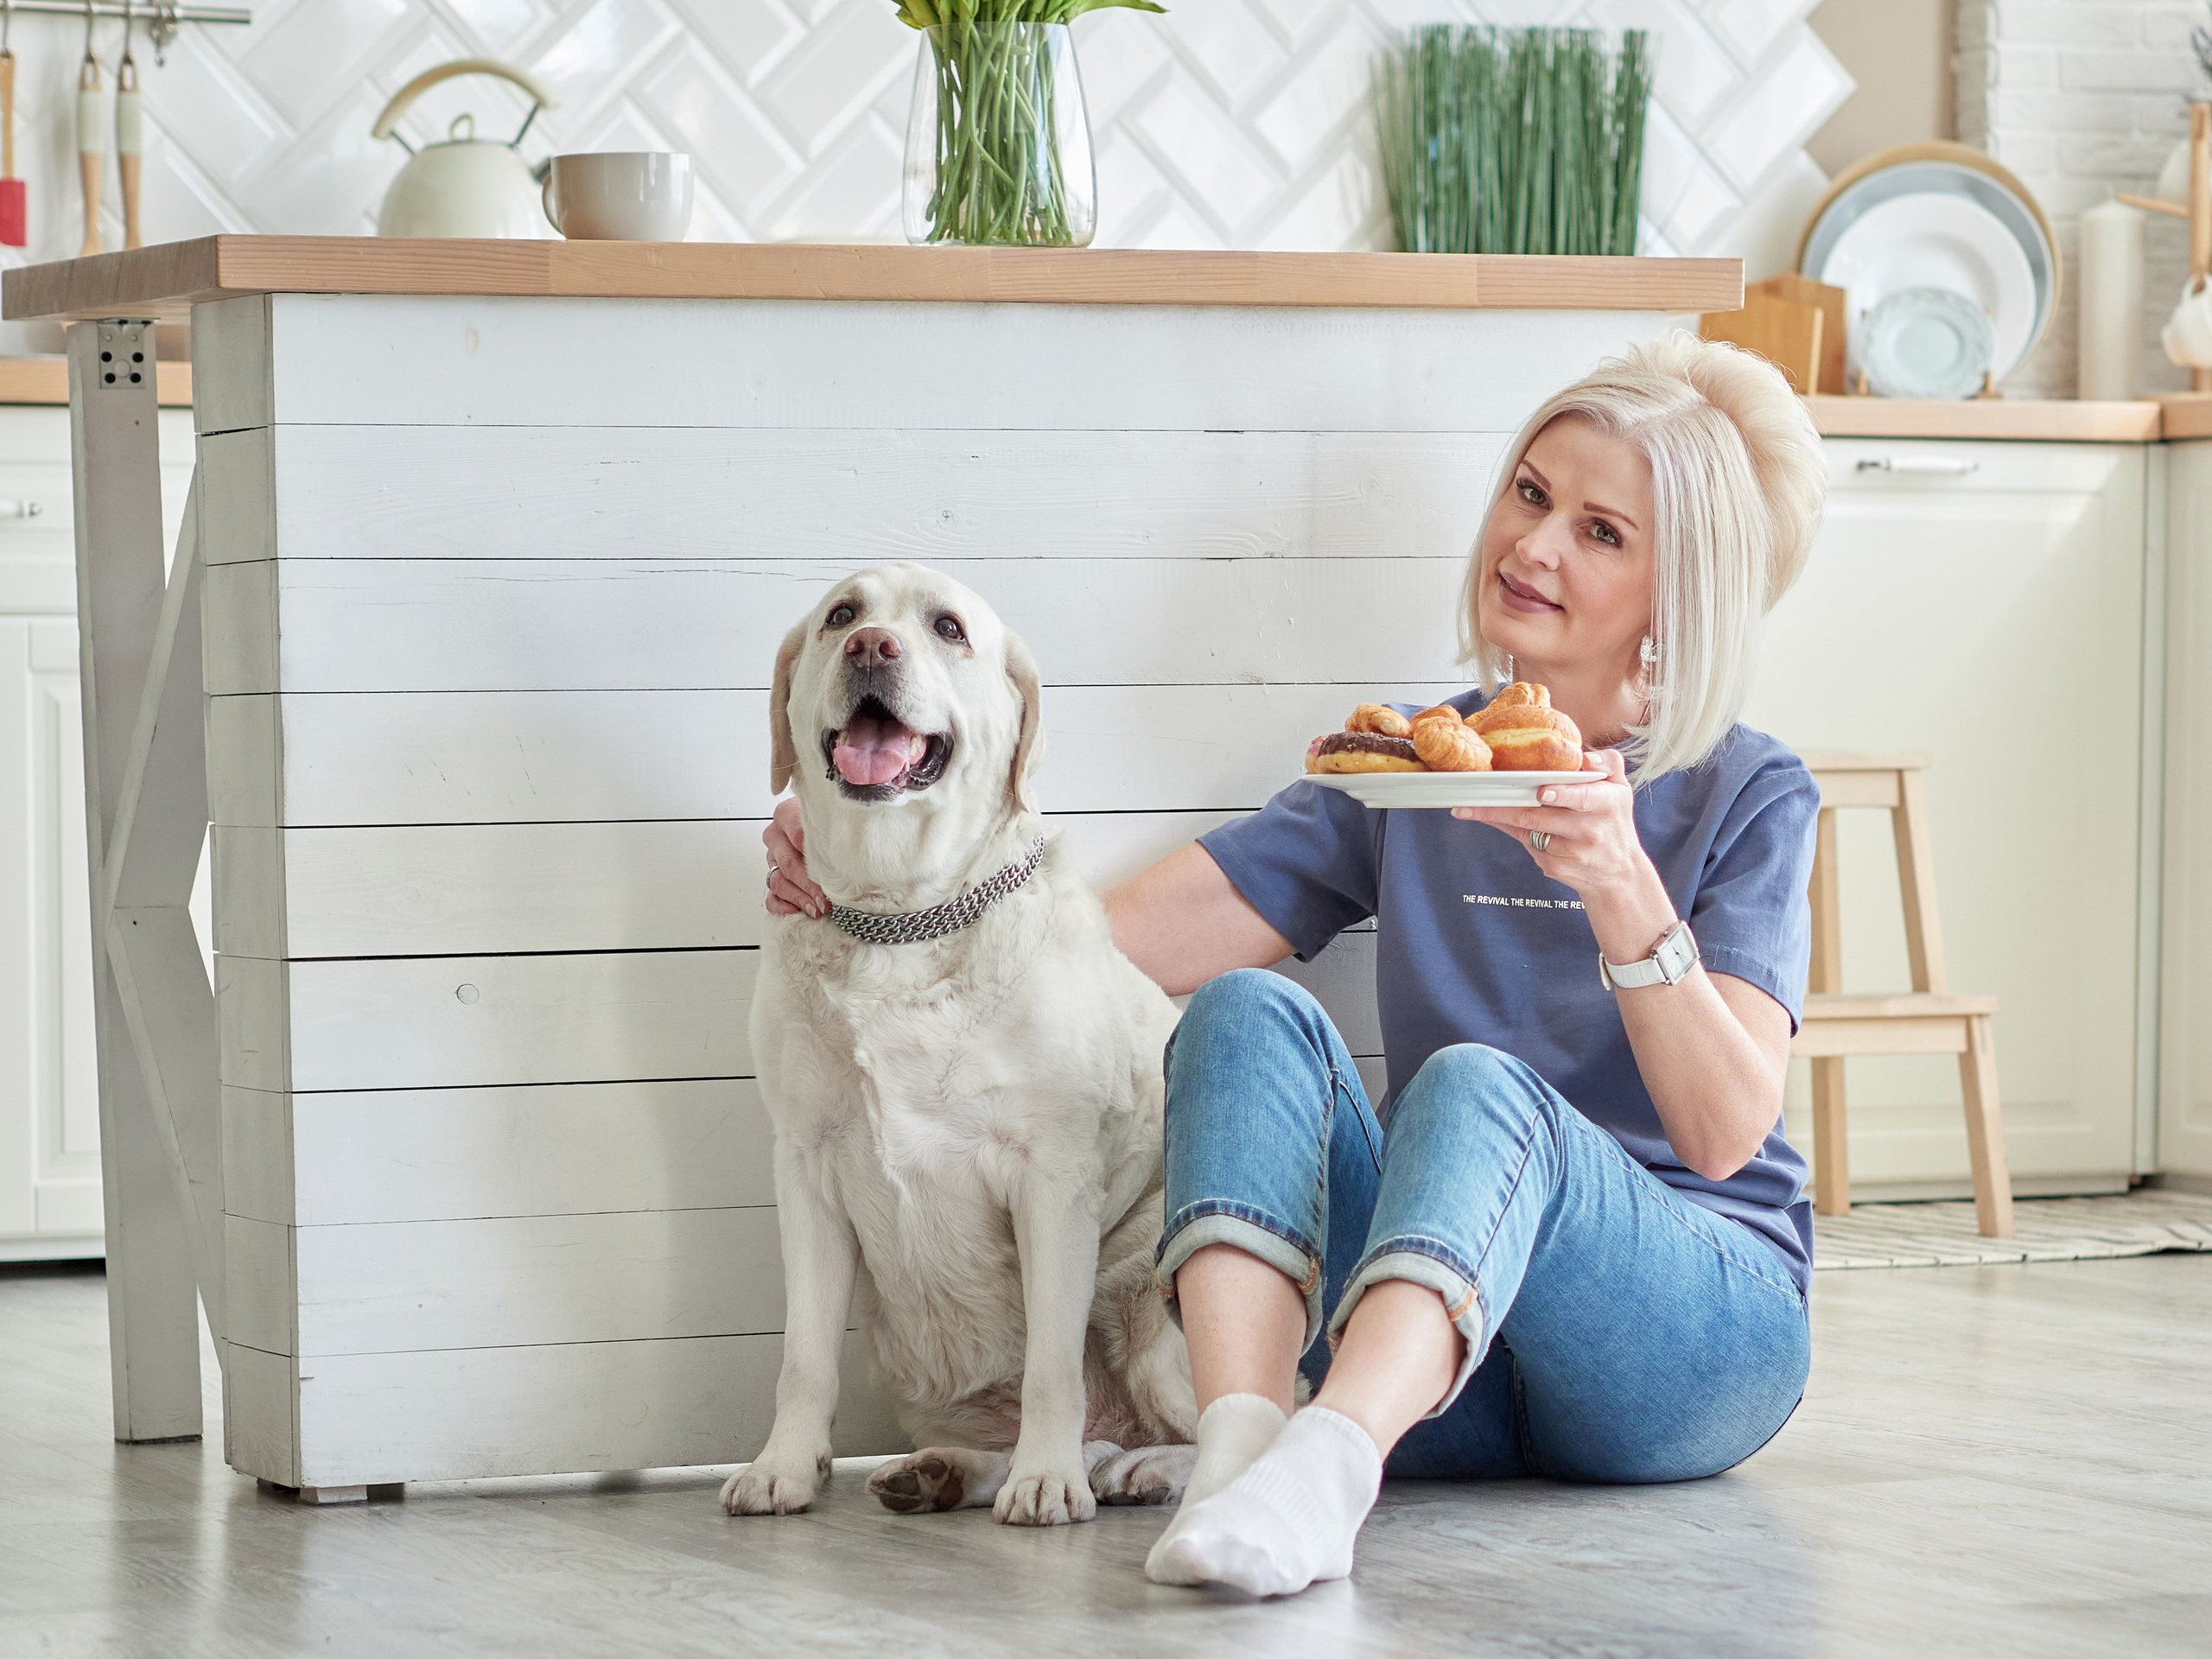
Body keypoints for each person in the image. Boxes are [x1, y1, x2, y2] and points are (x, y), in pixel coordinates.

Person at [763, 331, 1829, 1598]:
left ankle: (1323, 1476)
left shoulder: (1750, 793)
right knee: (1245, 1013)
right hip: (1442, 1361)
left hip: (1685, 1345)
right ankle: (1242, 1450)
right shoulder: (1406, 773)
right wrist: (868, 860)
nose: (1534, 545)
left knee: (1483, 1088)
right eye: (1532, 494)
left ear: (1677, 596)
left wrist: (1618, 883)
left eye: (1602, 533)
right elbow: (1082, 960)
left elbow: (1722, 1134)